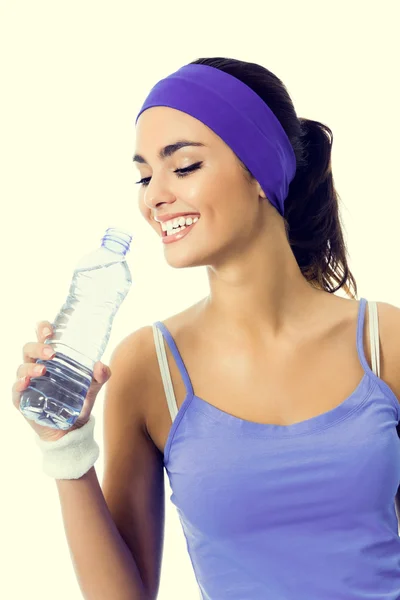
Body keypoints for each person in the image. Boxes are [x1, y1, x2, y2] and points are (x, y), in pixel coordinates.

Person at [13, 57, 400, 599]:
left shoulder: (383, 342)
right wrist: (65, 447)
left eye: (184, 166)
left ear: (261, 171)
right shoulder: (149, 368)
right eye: (145, 176)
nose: (154, 196)